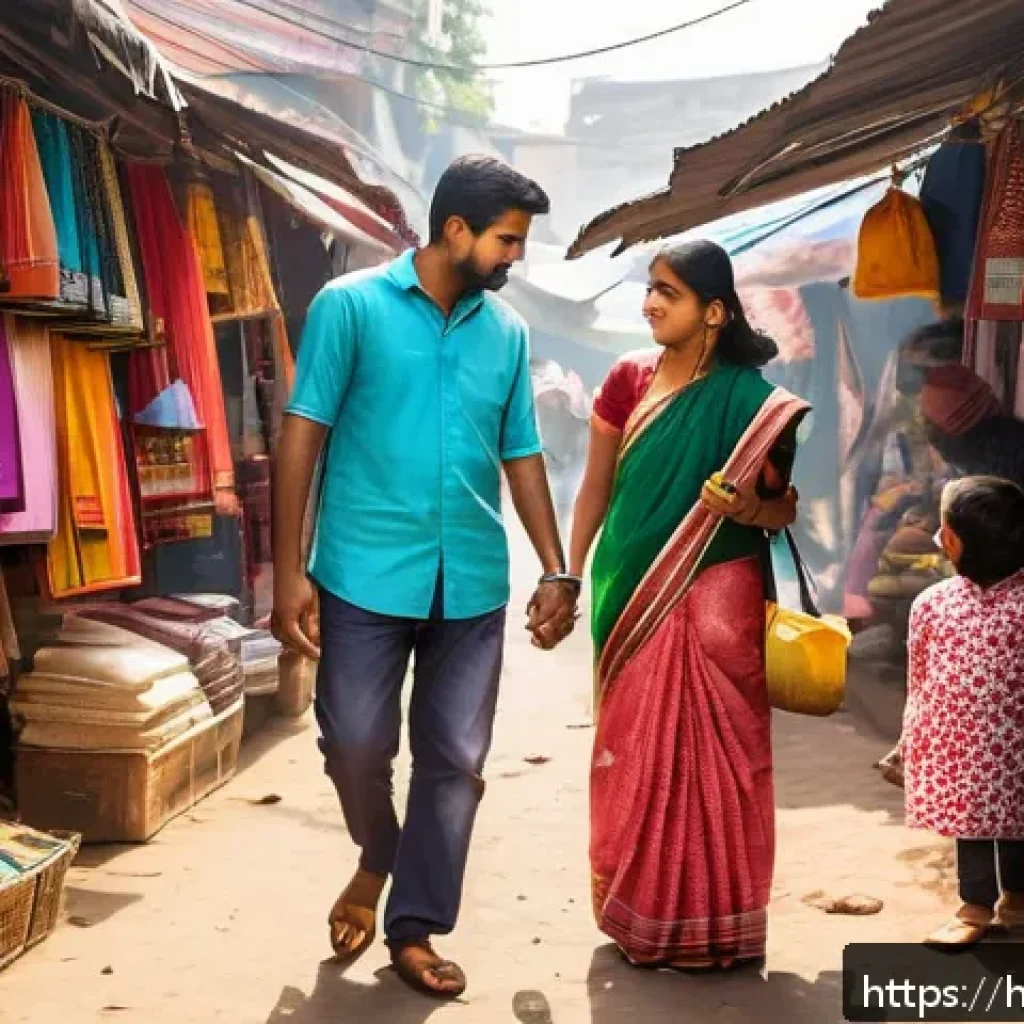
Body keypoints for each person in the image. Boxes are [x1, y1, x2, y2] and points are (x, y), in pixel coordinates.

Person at [271, 155, 579, 999]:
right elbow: (302, 433)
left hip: (472, 582)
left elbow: (521, 451)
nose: (517, 256)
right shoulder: (350, 308)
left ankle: (413, 928)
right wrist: (287, 571)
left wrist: (556, 568)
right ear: (456, 230)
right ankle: (379, 853)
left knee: (456, 762)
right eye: (508, 240)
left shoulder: (508, 333)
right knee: (358, 745)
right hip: (362, 574)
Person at [568, 240, 810, 970]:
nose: (650, 303)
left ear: (714, 311)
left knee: (725, 759)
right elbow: (595, 488)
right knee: (637, 752)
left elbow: (782, 512)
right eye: (650, 289)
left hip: (719, 594)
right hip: (631, 587)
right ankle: (640, 914)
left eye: (667, 292)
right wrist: (567, 573)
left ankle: (722, 923)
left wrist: (745, 506)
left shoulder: (755, 403)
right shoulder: (624, 382)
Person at [900, 476, 1024, 947]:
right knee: (976, 825)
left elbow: (918, 681)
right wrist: (910, 742)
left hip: (999, 753)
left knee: (1006, 821)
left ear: (952, 541)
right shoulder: (931, 604)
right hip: (964, 753)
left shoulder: (932, 603)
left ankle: (1008, 901)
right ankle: (977, 903)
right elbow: (922, 679)